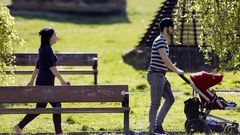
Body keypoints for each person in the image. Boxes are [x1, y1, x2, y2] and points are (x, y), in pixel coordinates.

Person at [13, 27, 69, 135]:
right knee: (57, 106)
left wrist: (31, 81)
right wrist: (62, 81)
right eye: (54, 35)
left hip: (43, 83)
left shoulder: (43, 49)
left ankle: (19, 126)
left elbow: (37, 67)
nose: (56, 37)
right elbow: (52, 68)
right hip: (46, 85)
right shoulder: (47, 50)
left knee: (41, 108)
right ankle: (59, 133)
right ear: (49, 37)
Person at [147, 18, 184, 135]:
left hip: (161, 75)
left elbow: (165, 62)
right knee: (155, 103)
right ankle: (152, 130)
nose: (173, 30)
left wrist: (174, 69)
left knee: (170, 99)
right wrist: (177, 70)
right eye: (171, 27)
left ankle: (158, 126)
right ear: (166, 28)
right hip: (155, 75)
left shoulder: (163, 41)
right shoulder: (160, 41)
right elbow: (165, 59)